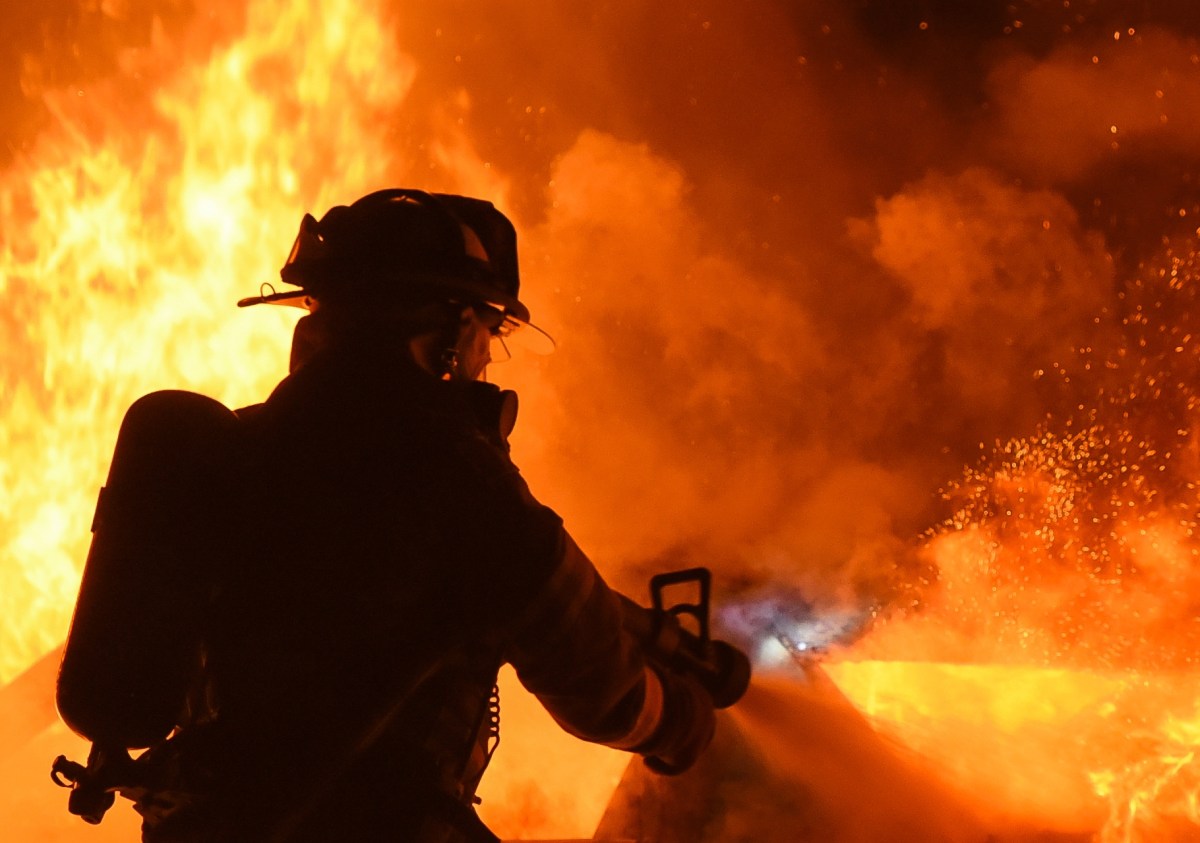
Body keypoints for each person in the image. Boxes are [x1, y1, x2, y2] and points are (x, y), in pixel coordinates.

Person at [132, 189, 716, 842]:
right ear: (454, 327)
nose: (488, 356)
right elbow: (595, 677)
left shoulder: (233, 450)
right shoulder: (454, 471)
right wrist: (682, 722)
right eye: (490, 331)